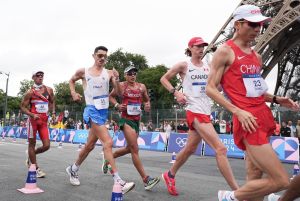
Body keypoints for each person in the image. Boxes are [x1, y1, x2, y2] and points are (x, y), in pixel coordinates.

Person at [206, 4, 300, 201]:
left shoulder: (256, 56)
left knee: (255, 175)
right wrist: (237, 111)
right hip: (248, 120)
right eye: (253, 24)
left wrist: (276, 99)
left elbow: (254, 91)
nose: (258, 29)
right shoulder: (225, 51)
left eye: (261, 25)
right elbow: (210, 88)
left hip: (263, 115)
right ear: (238, 24)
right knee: (281, 179)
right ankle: (230, 197)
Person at [160, 36, 239, 196]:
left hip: (206, 111)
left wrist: (222, 84)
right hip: (193, 111)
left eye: (203, 46)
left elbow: (214, 87)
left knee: (190, 148)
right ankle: (238, 193)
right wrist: (176, 93)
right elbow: (164, 79)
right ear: (190, 48)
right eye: (197, 46)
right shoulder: (184, 65)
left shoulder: (208, 67)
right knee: (221, 148)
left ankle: (170, 175)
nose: (201, 49)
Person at [65, 46, 135, 194]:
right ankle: (118, 181)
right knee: (108, 143)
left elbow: (118, 92)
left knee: (89, 146)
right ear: (94, 56)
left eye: (105, 56)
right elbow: (71, 81)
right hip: (91, 111)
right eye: (100, 55)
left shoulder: (109, 73)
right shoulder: (83, 72)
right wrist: (73, 93)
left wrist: (115, 80)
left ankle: (73, 169)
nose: (102, 58)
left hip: (103, 112)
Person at [103, 66, 160, 190]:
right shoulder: (122, 86)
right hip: (126, 120)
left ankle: (108, 158)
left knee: (129, 148)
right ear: (125, 75)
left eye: (134, 73)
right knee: (135, 149)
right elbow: (110, 96)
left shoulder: (142, 87)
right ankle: (146, 180)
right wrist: (117, 105)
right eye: (129, 73)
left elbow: (146, 99)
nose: (132, 75)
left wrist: (147, 105)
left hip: (136, 121)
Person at [20, 70, 55, 178]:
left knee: (47, 146)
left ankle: (32, 155)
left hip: (43, 121)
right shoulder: (30, 92)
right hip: (33, 121)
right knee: (32, 144)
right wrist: (31, 114)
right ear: (33, 78)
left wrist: (53, 113)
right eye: (38, 76)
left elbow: (52, 102)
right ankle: (35, 168)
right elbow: (22, 107)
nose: (40, 77)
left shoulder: (49, 90)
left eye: (42, 75)